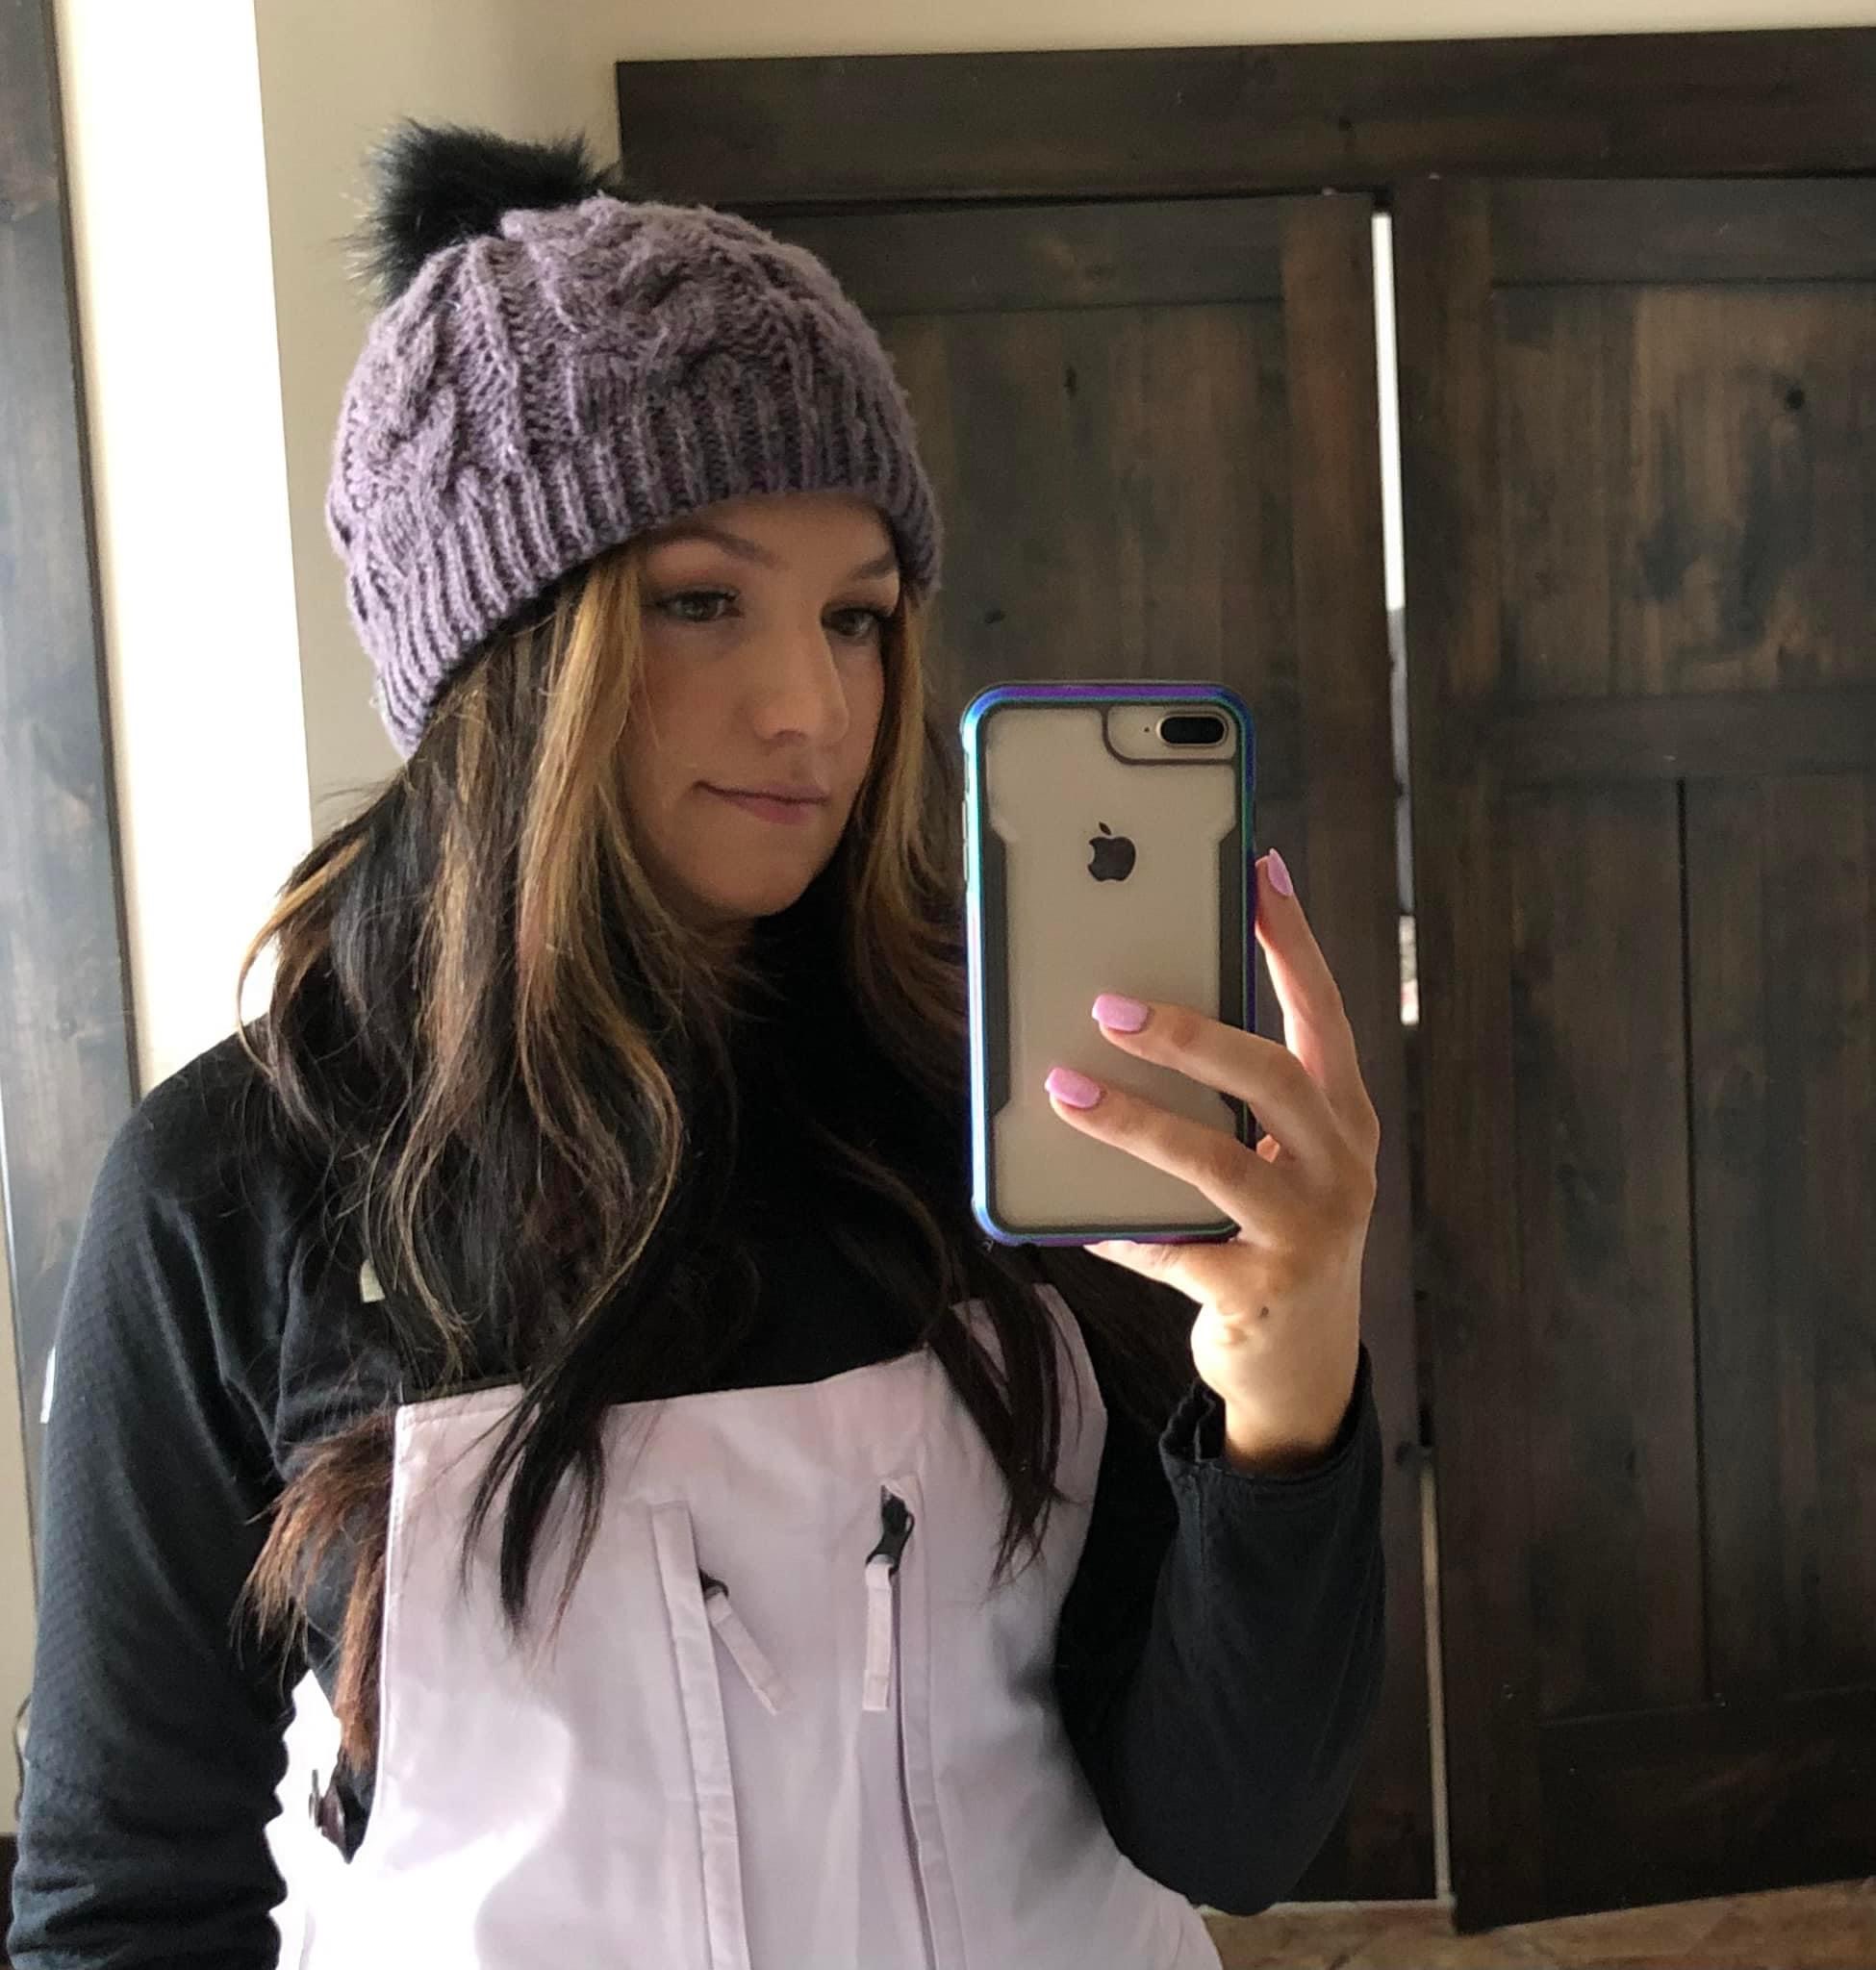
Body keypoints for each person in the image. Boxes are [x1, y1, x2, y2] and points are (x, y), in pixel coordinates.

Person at [8, 120, 1386, 1969]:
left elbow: (1228, 1830)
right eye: (698, 602)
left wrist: (1288, 1388)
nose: (809, 705)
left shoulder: (1000, 1097)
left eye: (857, 617)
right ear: (501, 656)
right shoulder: (233, 1192)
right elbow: (126, 1905)